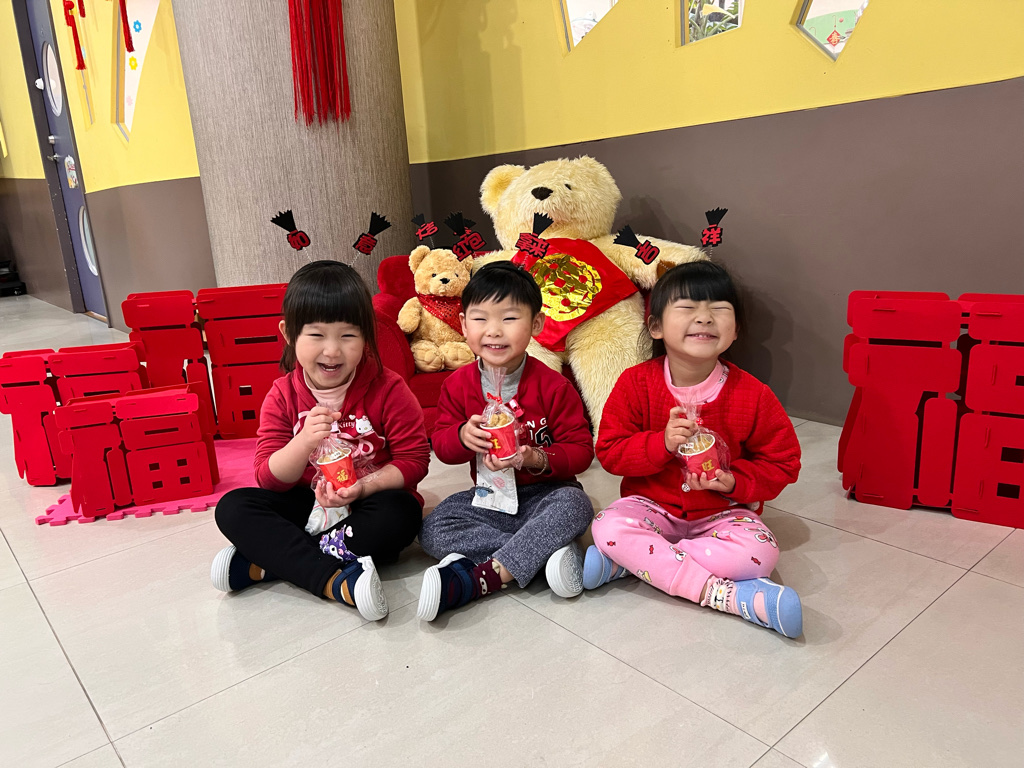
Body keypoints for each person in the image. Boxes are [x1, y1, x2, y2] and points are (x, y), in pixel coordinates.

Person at [584, 260, 804, 637]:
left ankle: (632, 563)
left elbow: (784, 462)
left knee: (761, 552)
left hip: (722, 513)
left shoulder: (753, 394)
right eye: (687, 307)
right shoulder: (635, 384)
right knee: (607, 525)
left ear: (735, 330)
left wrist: (734, 482)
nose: (704, 317)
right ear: (655, 326)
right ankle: (724, 595)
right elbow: (610, 451)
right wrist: (661, 443)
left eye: (719, 308)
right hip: (651, 506)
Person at [211, 260, 429, 621]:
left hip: (366, 505)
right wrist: (302, 443)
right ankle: (333, 580)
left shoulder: (389, 388)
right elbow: (268, 477)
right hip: (305, 503)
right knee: (233, 507)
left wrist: (362, 487)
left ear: (367, 336)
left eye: (347, 336)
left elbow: (414, 461)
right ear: (289, 334)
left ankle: (269, 562)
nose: (332, 351)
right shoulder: (282, 395)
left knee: (401, 513)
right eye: (316, 335)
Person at [417, 261, 595, 621]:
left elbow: (580, 452)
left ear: (536, 324)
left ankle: (486, 575)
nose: (494, 331)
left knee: (576, 505)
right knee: (433, 527)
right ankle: (544, 553)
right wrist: (462, 436)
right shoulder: (456, 386)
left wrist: (534, 458)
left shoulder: (553, 385)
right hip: (488, 499)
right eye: (480, 319)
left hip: (545, 496)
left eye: (510, 318)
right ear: (463, 324)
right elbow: (443, 447)